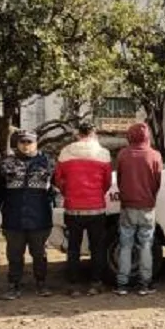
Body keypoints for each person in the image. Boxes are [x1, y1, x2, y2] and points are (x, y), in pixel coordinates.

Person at [0, 130, 55, 300]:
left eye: (29, 142)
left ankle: (41, 284)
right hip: (13, 218)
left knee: (39, 254)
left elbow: (55, 188)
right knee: (14, 254)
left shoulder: (47, 162)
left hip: (40, 217)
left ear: (36, 143)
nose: (26, 146)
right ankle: (14, 286)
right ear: (17, 143)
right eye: (23, 142)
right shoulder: (6, 164)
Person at [53, 122, 112, 296]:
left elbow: (58, 179)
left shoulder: (65, 153)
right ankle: (96, 283)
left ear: (77, 134)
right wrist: (97, 194)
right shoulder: (103, 153)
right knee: (97, 248)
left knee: (73, 248)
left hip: (73, 209)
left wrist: (68, 192)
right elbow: (107, 182)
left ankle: (73, 286)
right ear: (93, 133)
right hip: (96, 209)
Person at [114, 122, 163, 296]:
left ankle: (122, 285)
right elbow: (158, 183)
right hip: (147, 207)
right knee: (146, 246)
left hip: (128, 206)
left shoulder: (122, 155)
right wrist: (149, 197)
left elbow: (119, 180)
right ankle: (145, 284)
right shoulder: (155, 155)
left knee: (125, 246)